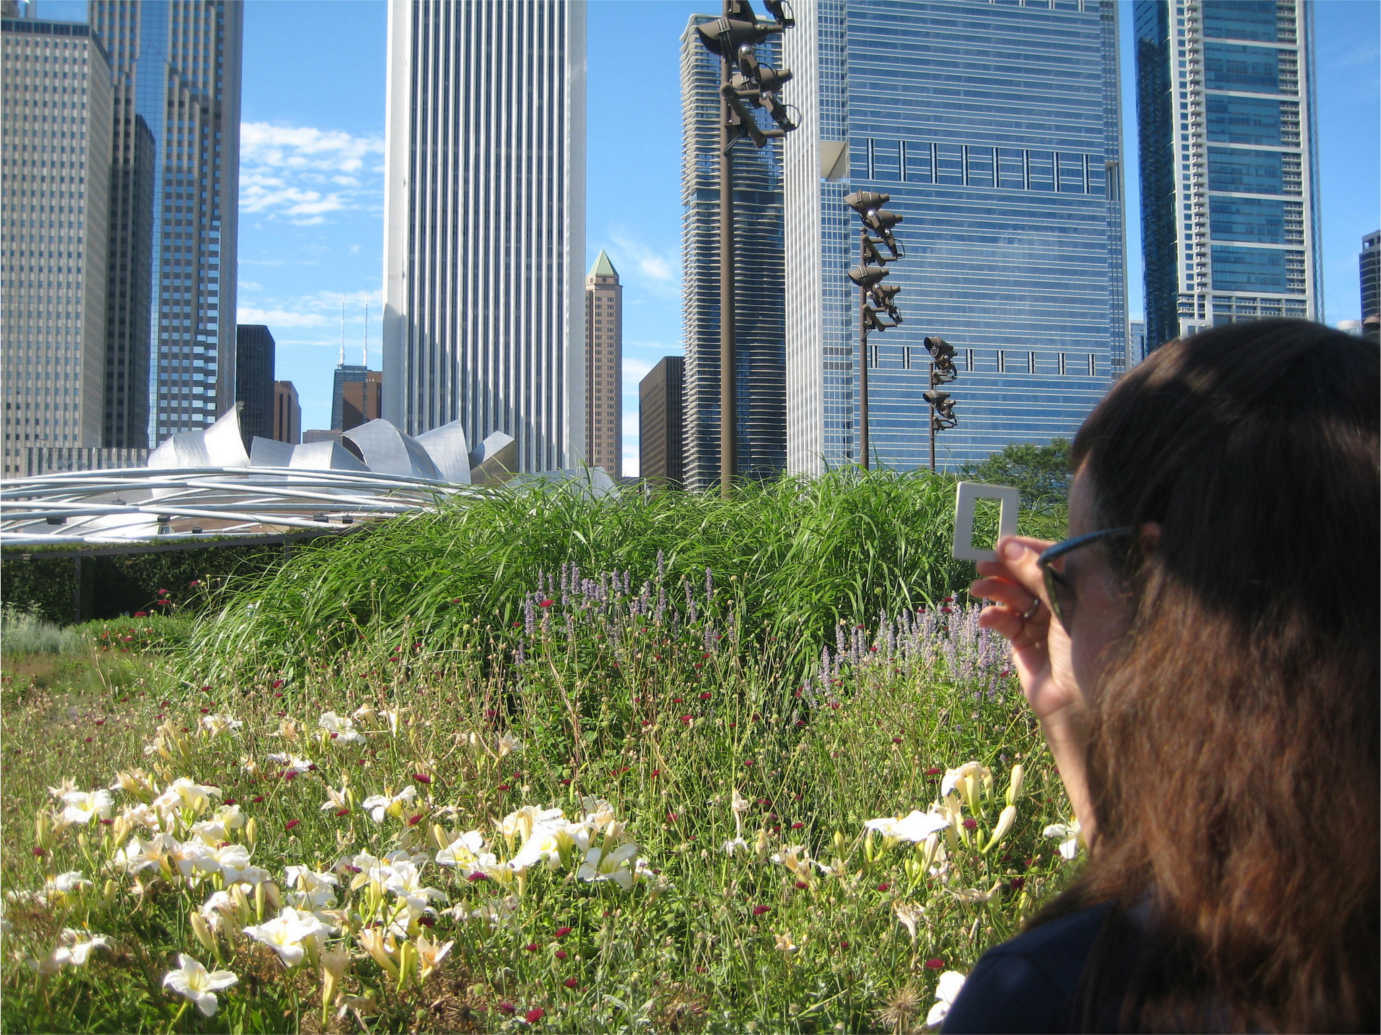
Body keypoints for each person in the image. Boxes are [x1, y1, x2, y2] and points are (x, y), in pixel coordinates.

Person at [945, 319, 1378, 1032]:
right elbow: (1172, 875)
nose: (1057, 596)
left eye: (1068, 568)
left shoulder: (1054, 997)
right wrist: (1066, 712)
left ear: (1156, 579)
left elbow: (1150, 922)